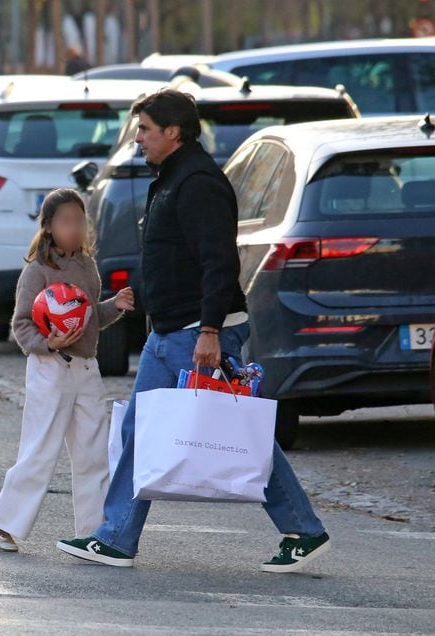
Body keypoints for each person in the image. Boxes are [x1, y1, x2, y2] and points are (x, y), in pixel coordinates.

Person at [57, 89, 331, 573]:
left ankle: (305, 531)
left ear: (173, 132)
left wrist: (208, 331)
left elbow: (219, 262)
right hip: (169, 334)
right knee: (139, 428)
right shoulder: (169, 177)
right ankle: (117, 537)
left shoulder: (199, 182)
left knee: (239, 434)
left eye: (144, 129)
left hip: (198, 334)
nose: (137, 138)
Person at [0, 188, 135, 552]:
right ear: (48, 227)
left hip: (86, 368)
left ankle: (95, 533)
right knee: (40, 449)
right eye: (66, 221)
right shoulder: (37, 270)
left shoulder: (87, 265)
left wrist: (116, 305)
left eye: (80, 221)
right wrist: (49, 343)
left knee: (93, 453)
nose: (75, 228)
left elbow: (89, 316)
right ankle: (1, 523)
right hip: (50, 369)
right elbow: (22, 326)